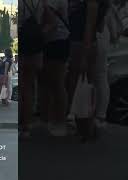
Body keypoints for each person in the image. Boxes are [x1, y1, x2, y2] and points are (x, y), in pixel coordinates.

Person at [67, 0, 110, 136]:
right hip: (84, 43)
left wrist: (85, 54)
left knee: (83, 82)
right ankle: (85, 120)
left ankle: (84, 120)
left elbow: (89, 26)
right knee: (86, 83)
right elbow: (99, 26)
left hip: (83, 44)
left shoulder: (92, 3)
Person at [19, 0, 54, 137]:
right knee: (29, 87)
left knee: (23, 87)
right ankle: (27, 125)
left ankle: (21, 123)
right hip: (36, 49)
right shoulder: (41, 2)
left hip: (23, 46)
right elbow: (52, 22)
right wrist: (39, 32)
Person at [39, 0, 70, 136]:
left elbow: (50, 19)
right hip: (51, 41)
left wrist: (38, 34)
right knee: (48, 83)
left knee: (57, 83)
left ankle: (59, 121)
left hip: (58, 40)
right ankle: (50, 119)